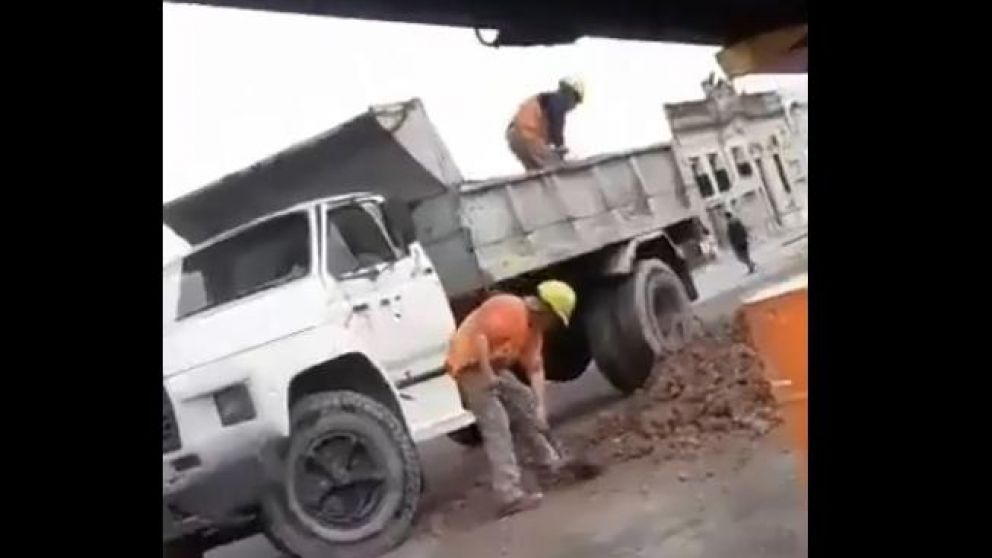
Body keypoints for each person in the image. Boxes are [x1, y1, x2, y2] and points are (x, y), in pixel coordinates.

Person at [445, 280, 595, 516]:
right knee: (497, 425)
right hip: (471, 365)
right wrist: (488, 375)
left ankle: (549, 466)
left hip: (494, 366)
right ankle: (508, 495)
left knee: (526, 401)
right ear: (545, 310)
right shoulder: (509, 309)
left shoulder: (533, 330)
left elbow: (535, 369)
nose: (554, 326)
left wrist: (540, 409)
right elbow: (481, 338)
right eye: (555, 320)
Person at [506, 76, 585, 171]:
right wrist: (560, 145)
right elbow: (556, 120)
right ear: (571, 95)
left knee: (537, 171)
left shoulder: (545, 101)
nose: (574, 106)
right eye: (576, 102)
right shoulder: (559, 99)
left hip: (515, 136)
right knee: (557, 167)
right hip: (528, 133)